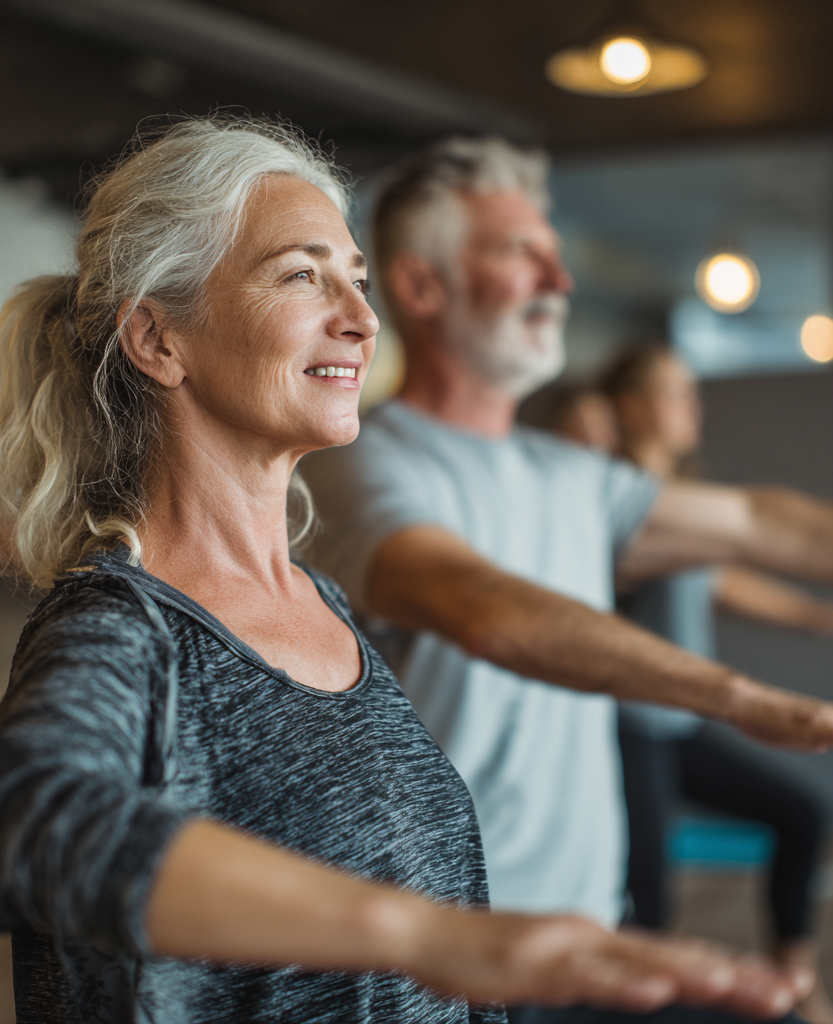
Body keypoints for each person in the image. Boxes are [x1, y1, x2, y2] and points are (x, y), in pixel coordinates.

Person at [0, 117, 811, 1024]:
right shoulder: (123, 626)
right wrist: (434, 940)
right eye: (302, 274)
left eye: (357, 282)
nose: (362, 321)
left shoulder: (320, 603)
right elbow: (24, 817)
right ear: (159, 341)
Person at [298, 136, 833, 1021]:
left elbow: (762, 521)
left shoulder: (572, 475)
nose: (561, 281)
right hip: (455, 955)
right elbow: (487, 612)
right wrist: (734, 694)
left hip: (588, 935)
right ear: (422, 286)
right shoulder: (364, 462)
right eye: (521, 253)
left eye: (556, 253)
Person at [599, 344, 833, 1023]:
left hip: (677, 725)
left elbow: (719, 577)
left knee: (800, 815)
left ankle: (797, 982)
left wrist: (817, 617)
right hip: (626, 730)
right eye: (675, 391)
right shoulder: (611, 499)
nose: (692, 405)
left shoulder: (679, 502)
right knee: (649, 908)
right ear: (633, 405)